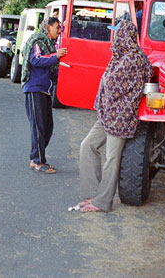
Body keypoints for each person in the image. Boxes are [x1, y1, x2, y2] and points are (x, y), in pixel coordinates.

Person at [72, 20, 152, 212]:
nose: (114, 37)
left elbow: (112, 86)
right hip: (108, 115)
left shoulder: (133, 59)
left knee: (112, 159)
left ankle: (103, 202)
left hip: (121, 118)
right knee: (87, 146)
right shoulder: (121, 55)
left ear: (124, 35)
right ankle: (92, 194)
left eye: (117, 33)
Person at [21, 17, 68, 174]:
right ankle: (39, 162)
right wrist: (56, 57)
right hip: (34, 89)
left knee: (47, 127)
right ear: (48, 27)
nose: (59, 31)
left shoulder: (51, 46)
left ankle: (35, 157)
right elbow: (36, 60)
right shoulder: (38, 41)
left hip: (45, 90)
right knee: (38, 126)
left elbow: (53, 68)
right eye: (57, 27)